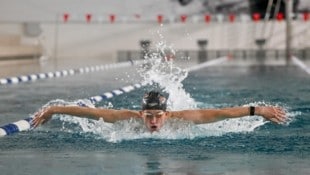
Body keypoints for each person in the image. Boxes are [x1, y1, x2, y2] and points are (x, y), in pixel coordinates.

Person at [32, 91, 287, 132]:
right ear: (141, 114)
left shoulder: (182, 119)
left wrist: (258, 110)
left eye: (158, 116)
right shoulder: (126, 119)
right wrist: (53, 109)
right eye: (149, 116)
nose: (153, 121)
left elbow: (222, 113)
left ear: (166, 114)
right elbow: (87, 113)